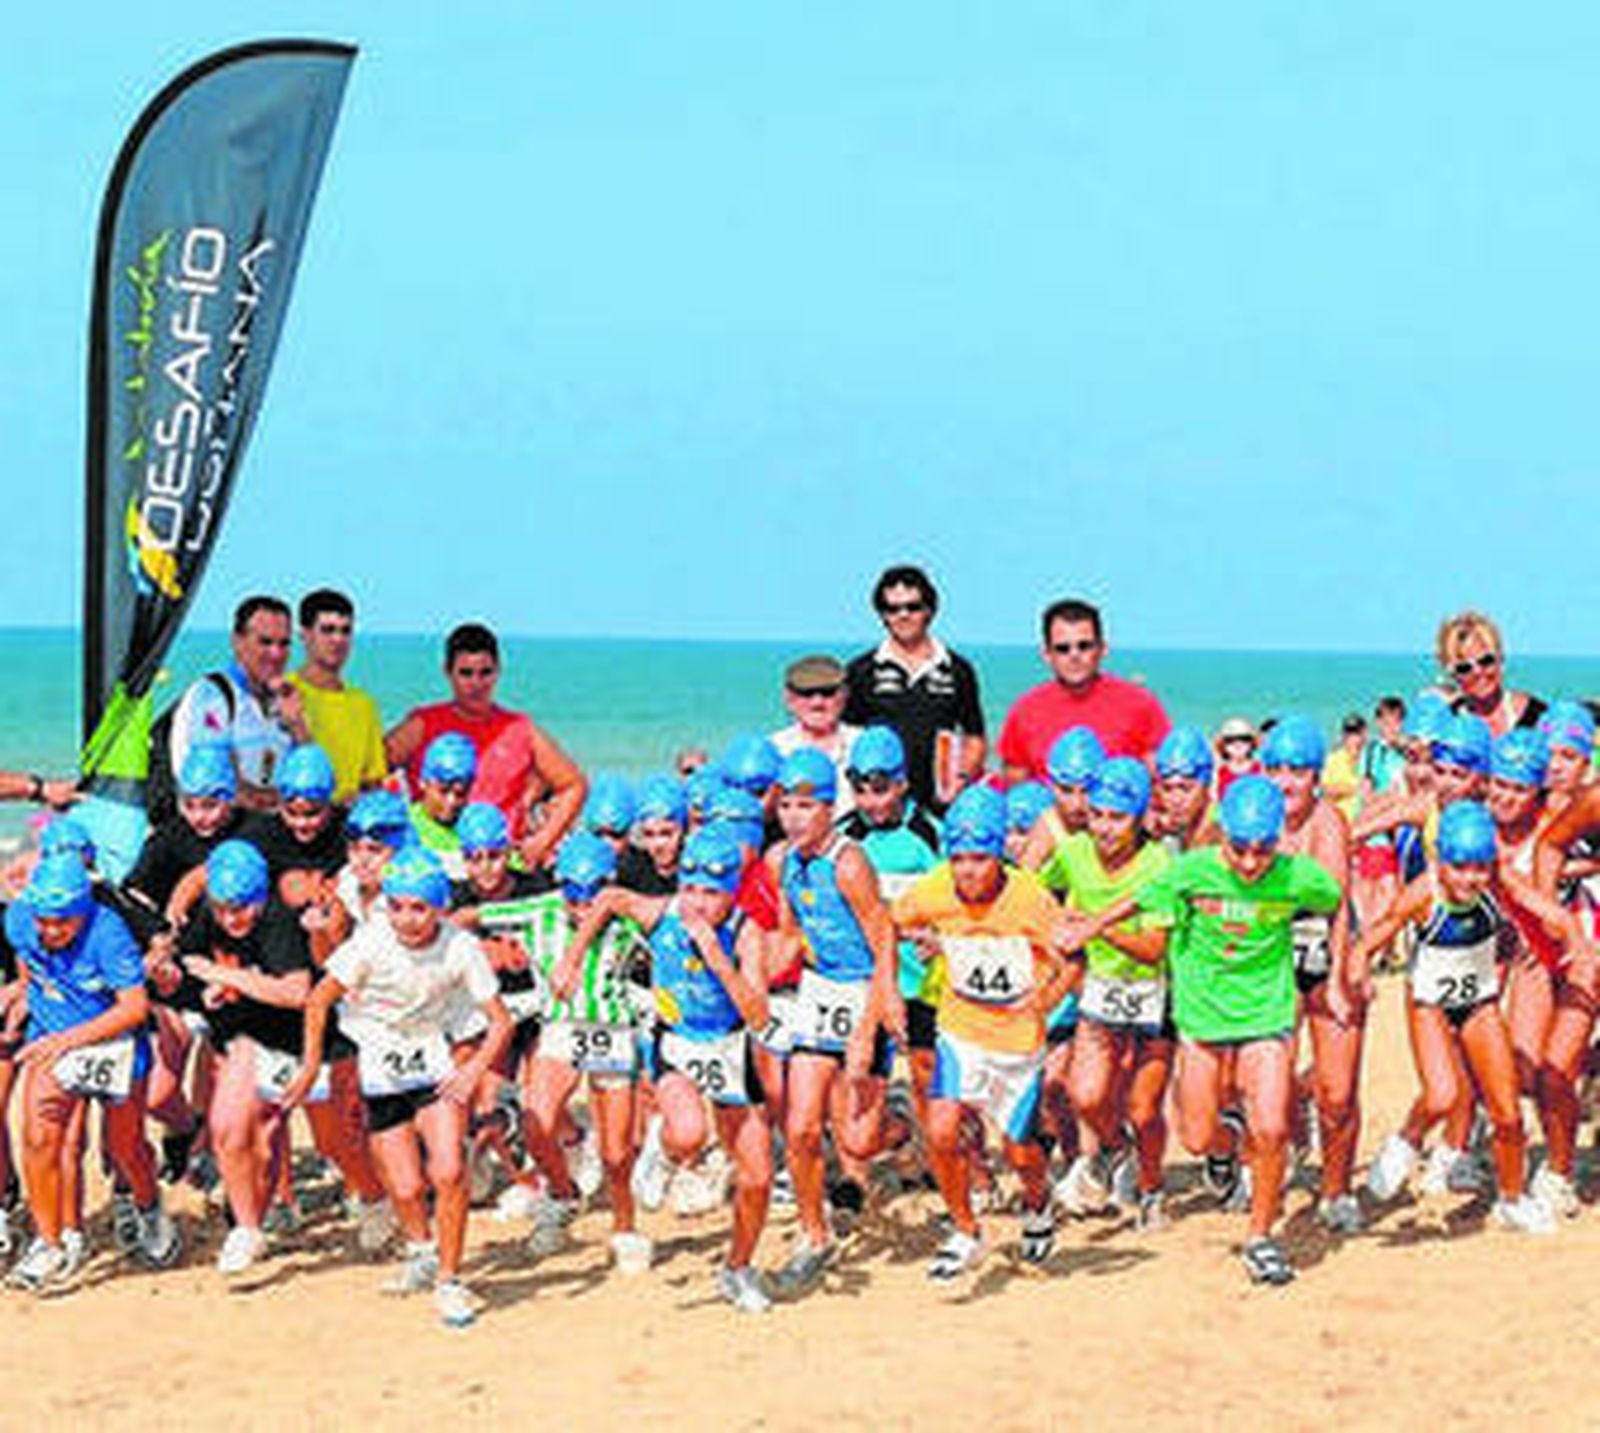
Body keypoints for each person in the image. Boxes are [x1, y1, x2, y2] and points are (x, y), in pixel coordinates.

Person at [1066, 776, 1342, 1285]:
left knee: (1274, 1127)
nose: (1252, 862)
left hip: (1267, 1016)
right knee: (1195, 1137)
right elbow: (1139, 899)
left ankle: (1262, 1238)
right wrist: (1089, 926)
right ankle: (1228, 1141)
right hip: (1202, 1019)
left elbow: (1335, 898)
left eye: (1264, 850)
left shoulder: (1296, 876)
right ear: (1224, 839)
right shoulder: (1193, 870)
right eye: (1241, 850)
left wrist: (1343, 967)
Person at [283, 847, 511, 1328]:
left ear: (440, 908)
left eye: (419, 908)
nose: (407, 919)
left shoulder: (459, 947)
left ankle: (450, 1280)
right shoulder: (371, 943)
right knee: (406, 1187)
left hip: (435, 1062)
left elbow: (500, 1022)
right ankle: (422, 1250)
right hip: (383, 1068)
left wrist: (473, 1071)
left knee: (448, 1170)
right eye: (398, 906)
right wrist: (308, 1069)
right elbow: (318, 1001)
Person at [1352, 802, 1590, 1233]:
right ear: (1440, 860)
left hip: (1479, 1004)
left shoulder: (1496, 883)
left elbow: (1542, 906)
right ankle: (1406, 1139)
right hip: (1430, 1005)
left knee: (1507, 1113)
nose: (1471, 879)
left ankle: (1512, 1200)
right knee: (1442, 1095)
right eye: (1460, 867)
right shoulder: (1426, 893)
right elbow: (1378, 932)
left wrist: (1574, 937)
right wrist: (1354, 971)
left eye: (1480, 868)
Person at [570, 826, 775, 1312]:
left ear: (731, 893)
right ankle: (660, 1156)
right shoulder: (660, 913)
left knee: (759, 1176)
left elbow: (759, 1015)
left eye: (712, 893)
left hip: (729, 1046)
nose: (699, 904)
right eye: (691, 889)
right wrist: (573, 958)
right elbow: (611, 898)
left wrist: (717, 959)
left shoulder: (748, 934)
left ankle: (738, 1268)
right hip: (677, 1042)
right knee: (687, 1132)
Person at [891, 786, 1073, 1277]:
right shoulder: (934, 889)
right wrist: (918, 939)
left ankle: (1038, 1202)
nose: (967, 870)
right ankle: (965, 1228)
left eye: (979, 859)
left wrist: (1046, 999)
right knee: (942, 1129)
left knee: (1020, 1151)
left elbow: (1071, 960)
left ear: (998, 857)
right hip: (960, 1031)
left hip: (1016, 1044)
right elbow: (886, 922)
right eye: (959, 858)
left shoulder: (1030, 900)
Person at [6, 854, 179, 1290]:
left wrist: (68, 1039)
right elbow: (28, 962)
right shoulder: (19, 920)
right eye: (44, 919)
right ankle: (49, 1244)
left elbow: (134, 1008)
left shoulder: (109, 934)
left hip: (114, 1043)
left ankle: (149, 1206)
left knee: (126, 1147)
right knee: (38, 1137)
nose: (50, 931)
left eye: (62, 923)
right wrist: (26, 994)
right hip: (52, 1040)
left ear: (82, 912)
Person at [766, 749, 900, 1293]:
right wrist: (758, 979)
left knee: (859, 1140)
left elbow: (883, 935)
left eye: (807, 806)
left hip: (863, 990)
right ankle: (814, 1235)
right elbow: (791, 929)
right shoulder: (784, 861)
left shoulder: (849, 863)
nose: (794, 816)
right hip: (818, 993)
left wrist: (869, 1027)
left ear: (829, 808)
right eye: (787, 805)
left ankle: (902, 1128)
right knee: (799, 1126)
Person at [158, 840, 321, 1276]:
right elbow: (186, 973)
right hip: (244, 1038)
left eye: (241, 909)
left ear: (261, 899)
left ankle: (351, 1202)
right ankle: (247, 1227)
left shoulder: (278, 925)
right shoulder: (208, 921)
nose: (231, 920)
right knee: (228, 1129)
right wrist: (173, 977)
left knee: (286, 1140)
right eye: (222, 909)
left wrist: (229, 977)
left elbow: (296, 992)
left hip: (299, 1041)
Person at [1045, 759, 1174, 1227]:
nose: (1103, 827)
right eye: (1096, 813)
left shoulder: (1158, 863)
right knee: (1086, 1096)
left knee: (1143, 1109)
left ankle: (1153, 1187)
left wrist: (1097, 929)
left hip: (1155, 991)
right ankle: (1116, 1152)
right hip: (1101, 991)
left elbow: (1154, 948)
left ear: (1139, 816)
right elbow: (1040, 894)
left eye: (1116, 817)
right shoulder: (1075, 852)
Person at [1258, 716, 1361, 1232]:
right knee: (1265, 1082)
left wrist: (1340, 981)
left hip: (1329, 950)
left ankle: (1337, 1190)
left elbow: (1338, 909)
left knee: (1339, 1093)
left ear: (1316, 775)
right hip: (1275, 959)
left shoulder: (1328, 824)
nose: (1285, 781)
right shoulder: (1258, 819)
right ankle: (1289, 1154)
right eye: (1275, 768)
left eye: (1296, 770)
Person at [384, 622, 587, 864]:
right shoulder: (423, 724)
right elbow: (371, 771)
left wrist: (542, 841)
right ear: (448, 672)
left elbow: (573, 785)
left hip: (501, 865)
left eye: (485, 672)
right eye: (466, 673)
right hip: (433, 863)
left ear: (498, 671)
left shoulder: (520, 729)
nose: (476, 684)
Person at [843, 565, 986, 813]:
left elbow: (975, 736)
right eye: (893, 608)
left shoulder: (958, 669)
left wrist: (960, 780)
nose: (903, 615)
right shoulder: (861, 671)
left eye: (913, 607)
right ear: (882, 615)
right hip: (879, 808)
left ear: (929, 610)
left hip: (939, 804)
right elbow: (847, 738)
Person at [997, 599, 1170, 784]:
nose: (1074, 656)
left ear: (1102, 649)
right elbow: (1017, 791)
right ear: (1047, 655)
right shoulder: (1025, 711)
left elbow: (1162, 783)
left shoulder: (1141, 705)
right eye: (1063, 648)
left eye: (1084, 646)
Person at [169, 596, 312, 810]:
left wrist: (298, 725)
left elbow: (310, 777)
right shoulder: (213, 695)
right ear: (237, 641)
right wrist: (283, 800)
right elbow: (218, 785)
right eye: (265, 642)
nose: (277, 654)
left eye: (284, 643)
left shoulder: (282, 700)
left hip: (267, 833)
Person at [287, 589, 388, 804]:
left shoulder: (363, 705)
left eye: (345, 631)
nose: (338, 639)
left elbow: (372, 782)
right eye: (328, 630)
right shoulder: (285, 692)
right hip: (297, 817)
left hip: (347, 824)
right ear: (305, 635)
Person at [770, 656, 864, 817]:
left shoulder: (864, 743)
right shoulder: (774, 749)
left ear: (844, 694)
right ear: (789, 698)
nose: (817, 703)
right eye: (806, 693)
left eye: (828, 693)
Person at [1437, 610, 1547, 736]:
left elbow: (1569, 732)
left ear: (1501, 658)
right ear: (1452, 674)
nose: (1478, 672)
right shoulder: (1445, 723)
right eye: (1464, 668)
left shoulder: (1538, 716)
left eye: (1486, 660)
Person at [1213, 717, 1259, 797]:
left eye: (1244, 739)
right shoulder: (1218, 774)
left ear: (1252, 743)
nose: (1237, 744)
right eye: (1230, 740)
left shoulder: (1261, 769)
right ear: (1223, 746)